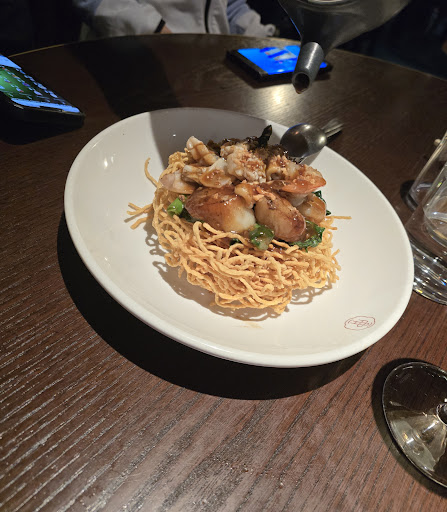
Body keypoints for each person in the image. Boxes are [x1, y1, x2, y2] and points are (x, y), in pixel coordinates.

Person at [73, 0, 276, 40]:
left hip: (213, 66)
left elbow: (230, 5)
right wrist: (155, 31)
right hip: (132, 54)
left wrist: (260, 40)